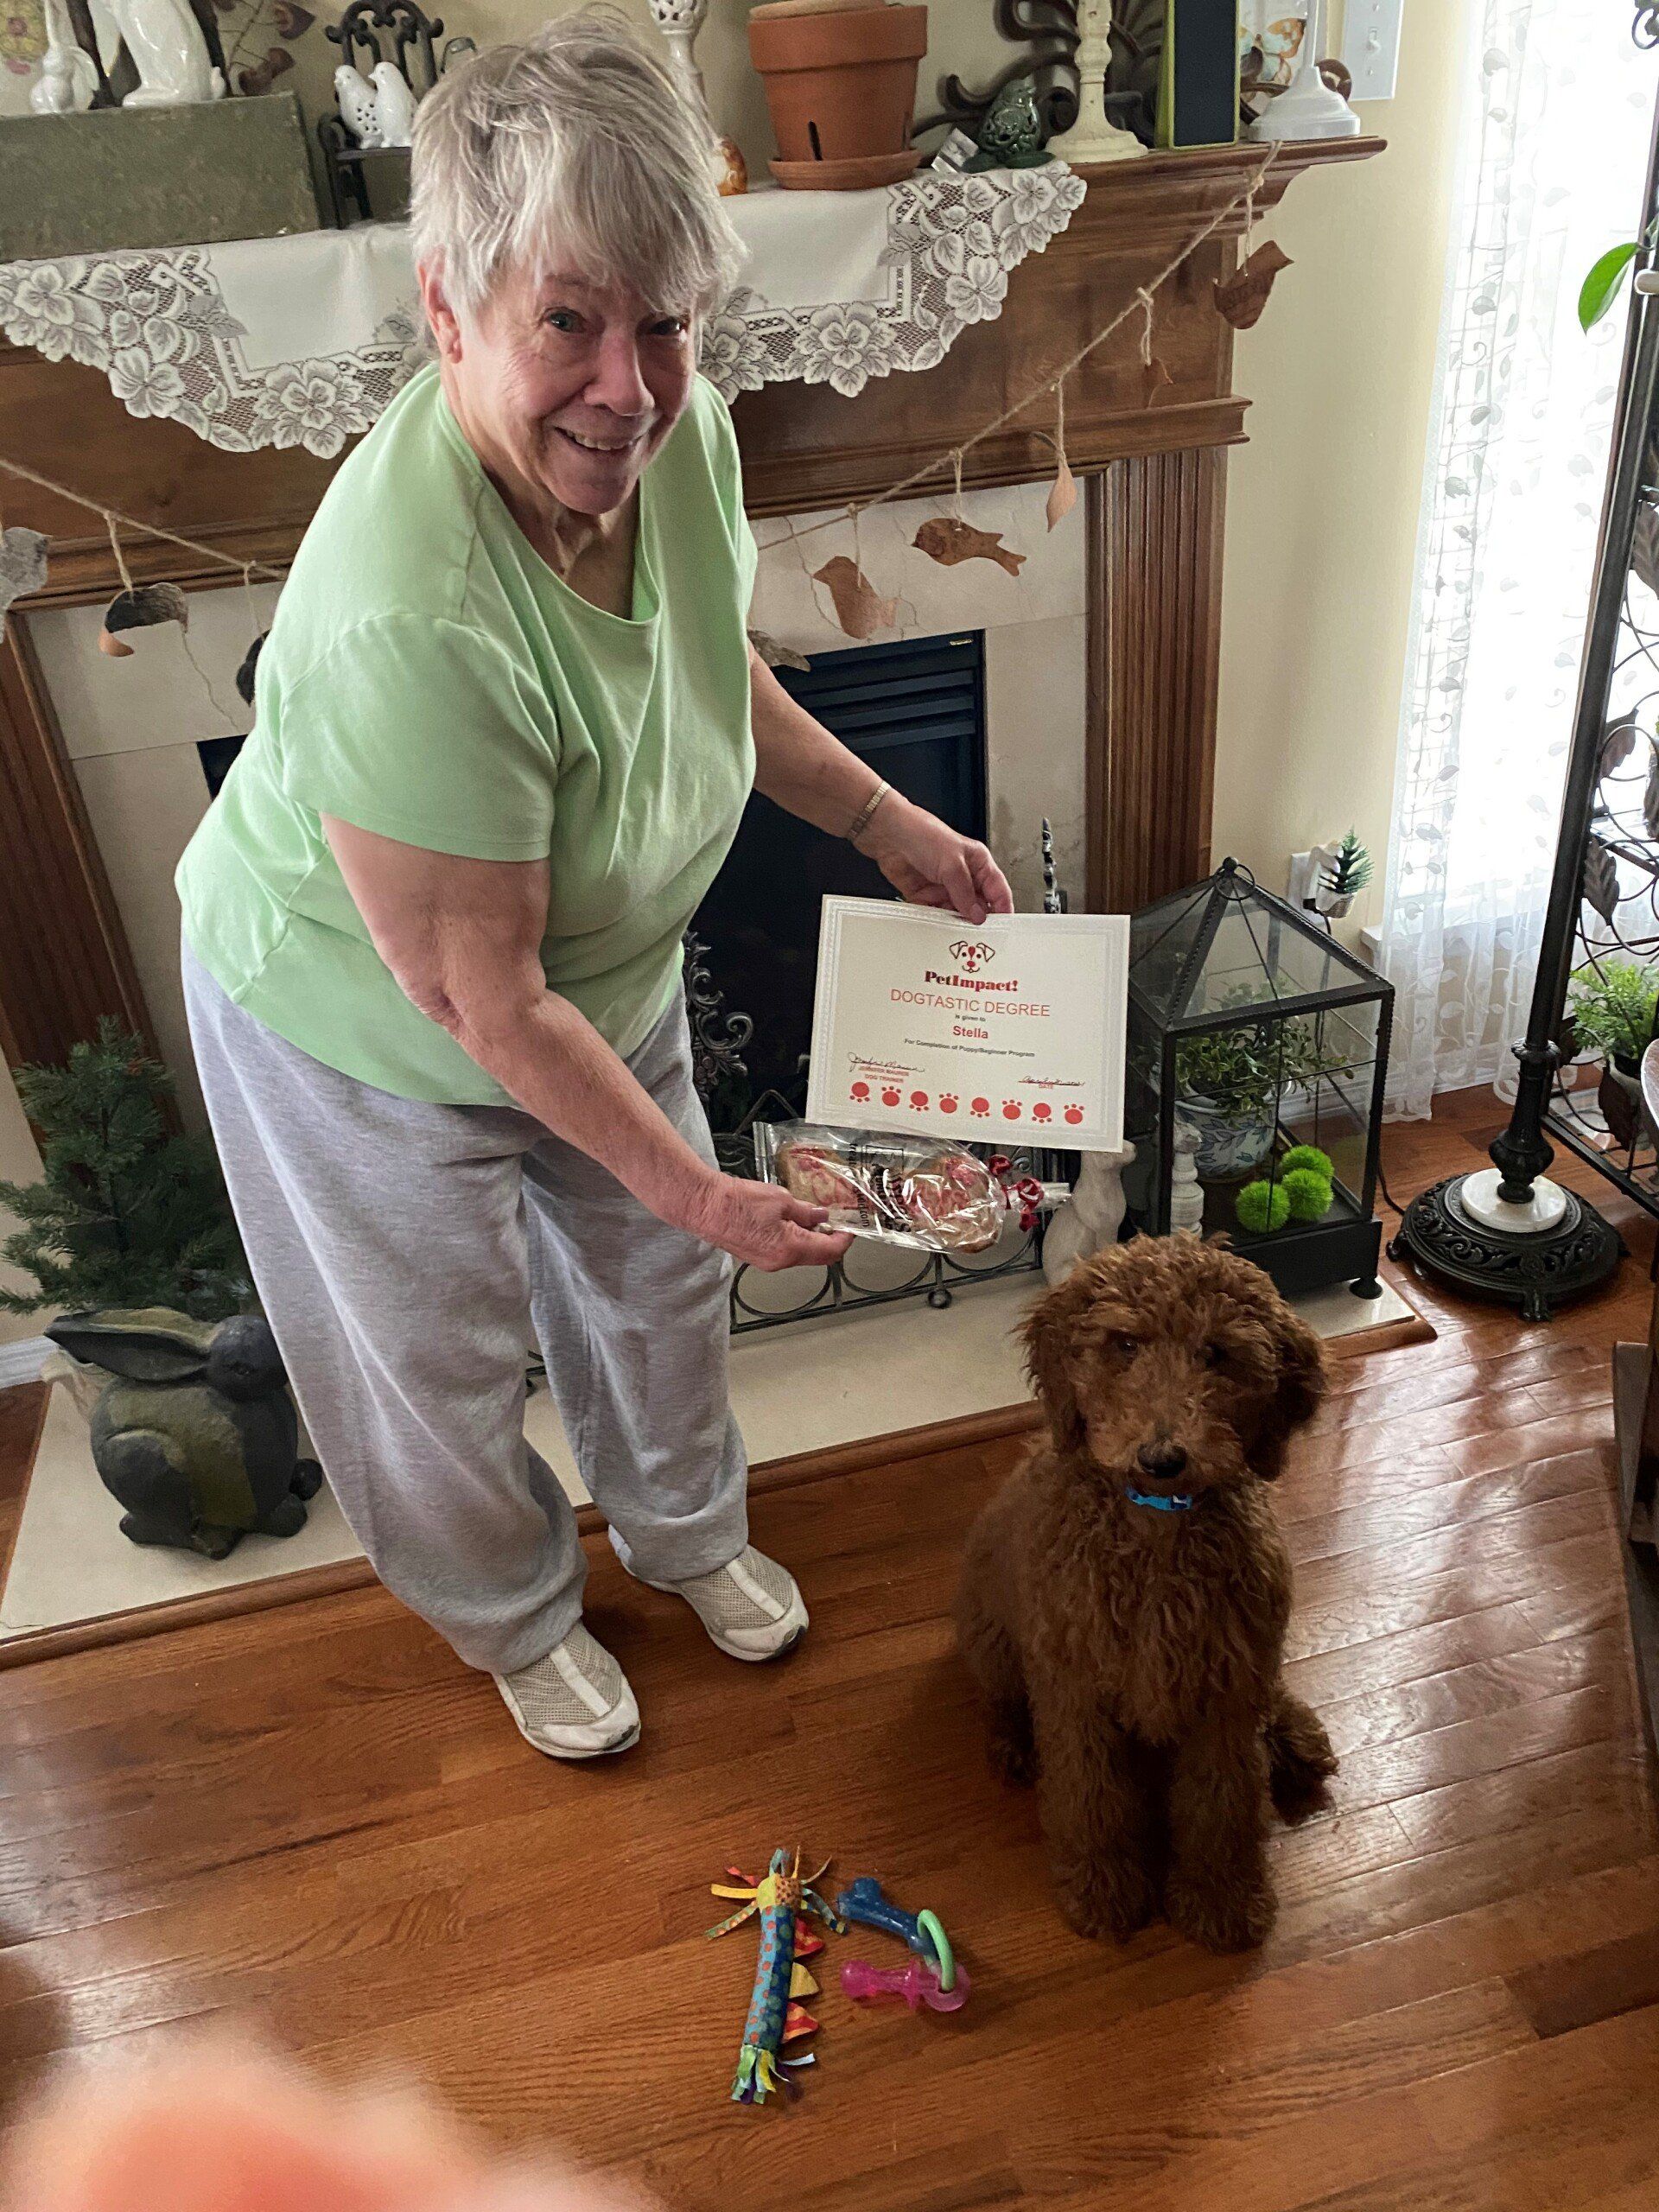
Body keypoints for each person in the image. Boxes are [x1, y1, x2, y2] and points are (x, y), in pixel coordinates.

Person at [175, 6, 1013, 1764]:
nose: (626, 385)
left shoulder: (672, 439)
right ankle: (516, 1612)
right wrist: (702, 1187)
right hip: (361, 1023)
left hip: (588, 975)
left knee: (651, 1284)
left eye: (665, 322)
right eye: (568, 320)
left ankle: (691, 1530)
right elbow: (482, 997)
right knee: (442, 1354)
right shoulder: (413, 608)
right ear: (449, 311)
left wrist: (888, 824)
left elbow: (718, 679)